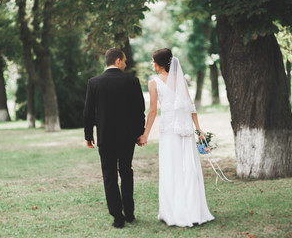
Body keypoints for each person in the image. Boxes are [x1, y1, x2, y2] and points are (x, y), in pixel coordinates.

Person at [138, 48, 214, 227]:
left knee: (172, 168)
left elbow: (153, 111)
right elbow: (191, 107)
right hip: (185, 130)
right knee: (188, 168)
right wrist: (198, 129)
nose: (151, 64)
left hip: (170, 132)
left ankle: (175, 212)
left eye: (153, 61)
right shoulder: (180, 80)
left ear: (160, 63)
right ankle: (193, 210)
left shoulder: (153, 83)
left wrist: (145, 134)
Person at [84, 48, 145, 228]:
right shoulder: (132, 81)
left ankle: (118, 217)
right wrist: (139, 132)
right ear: (118, 61)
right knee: (126, 172)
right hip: (127, 137)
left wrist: (89, 135)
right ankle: (130, 213)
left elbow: (88, 113)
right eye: (124, 61)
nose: (126, 64)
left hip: (105, 137)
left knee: (109, 176)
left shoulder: (94, 82)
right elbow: (139, 110)